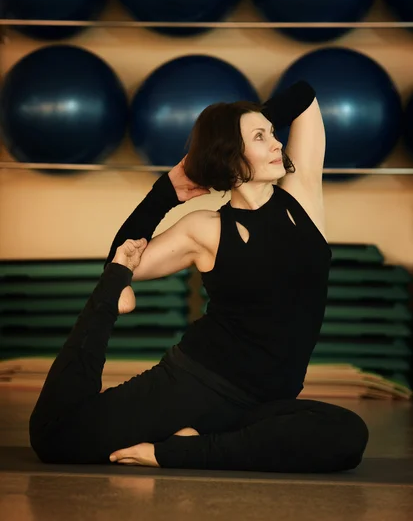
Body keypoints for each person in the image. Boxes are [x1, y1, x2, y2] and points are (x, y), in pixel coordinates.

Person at [29, 81, 369, 472]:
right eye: (261, 137)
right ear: (230, 155)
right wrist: (166, 193)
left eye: (273, 133)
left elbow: (305, 94)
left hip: (265, 404)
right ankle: (190, 449)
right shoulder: (205, 228)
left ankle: (182, 449)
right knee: (54, 437)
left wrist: (252, 125)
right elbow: (120, 263)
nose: (277, 143)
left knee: (348, 435)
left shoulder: (302, 197)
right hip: (196, 387)